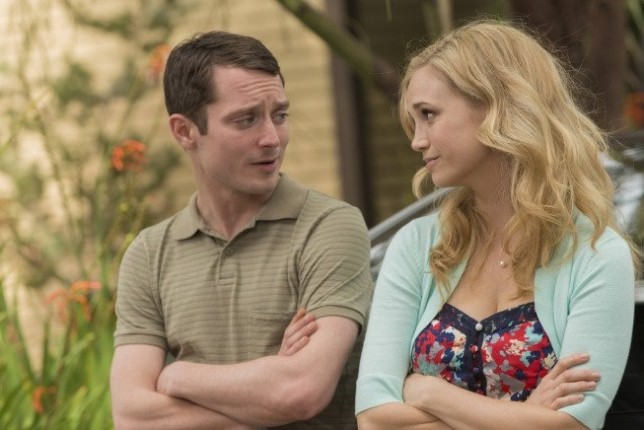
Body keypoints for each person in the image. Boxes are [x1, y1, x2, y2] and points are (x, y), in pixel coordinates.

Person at [355, 20, 640, 430]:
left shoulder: (596, 253)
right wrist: (524, 418)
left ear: (494, 106)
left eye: (429, 115)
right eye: (414, 121)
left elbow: (573, 424)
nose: (417, 140)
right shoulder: (416, 245)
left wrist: (428, 392)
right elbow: (373, 419)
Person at [110, 30, 373, 430]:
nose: (272, 138)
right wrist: (268, 385)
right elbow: (133, 417)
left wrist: (178, 377)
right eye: (246, 120)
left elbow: (301, 391)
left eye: (279, 115)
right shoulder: (149, 254)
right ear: (184, 131)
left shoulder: (329, 227)